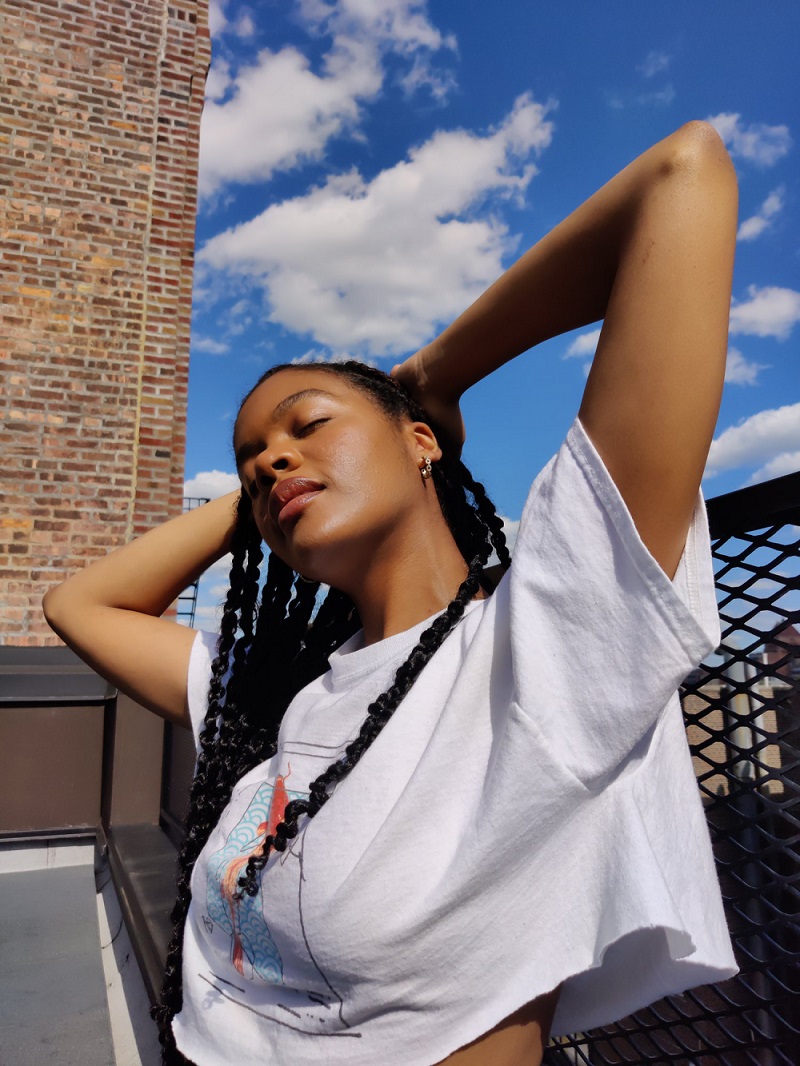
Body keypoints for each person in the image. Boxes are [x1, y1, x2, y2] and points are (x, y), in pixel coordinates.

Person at [43, 121, 739, 1066]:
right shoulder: (279, 694)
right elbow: (78, 607)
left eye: (308, 424)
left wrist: (430, 379)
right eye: (250, 460)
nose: (271, 458)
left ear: (420, 444)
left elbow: (684, 173)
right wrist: (263, 496)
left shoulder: (546, 646)